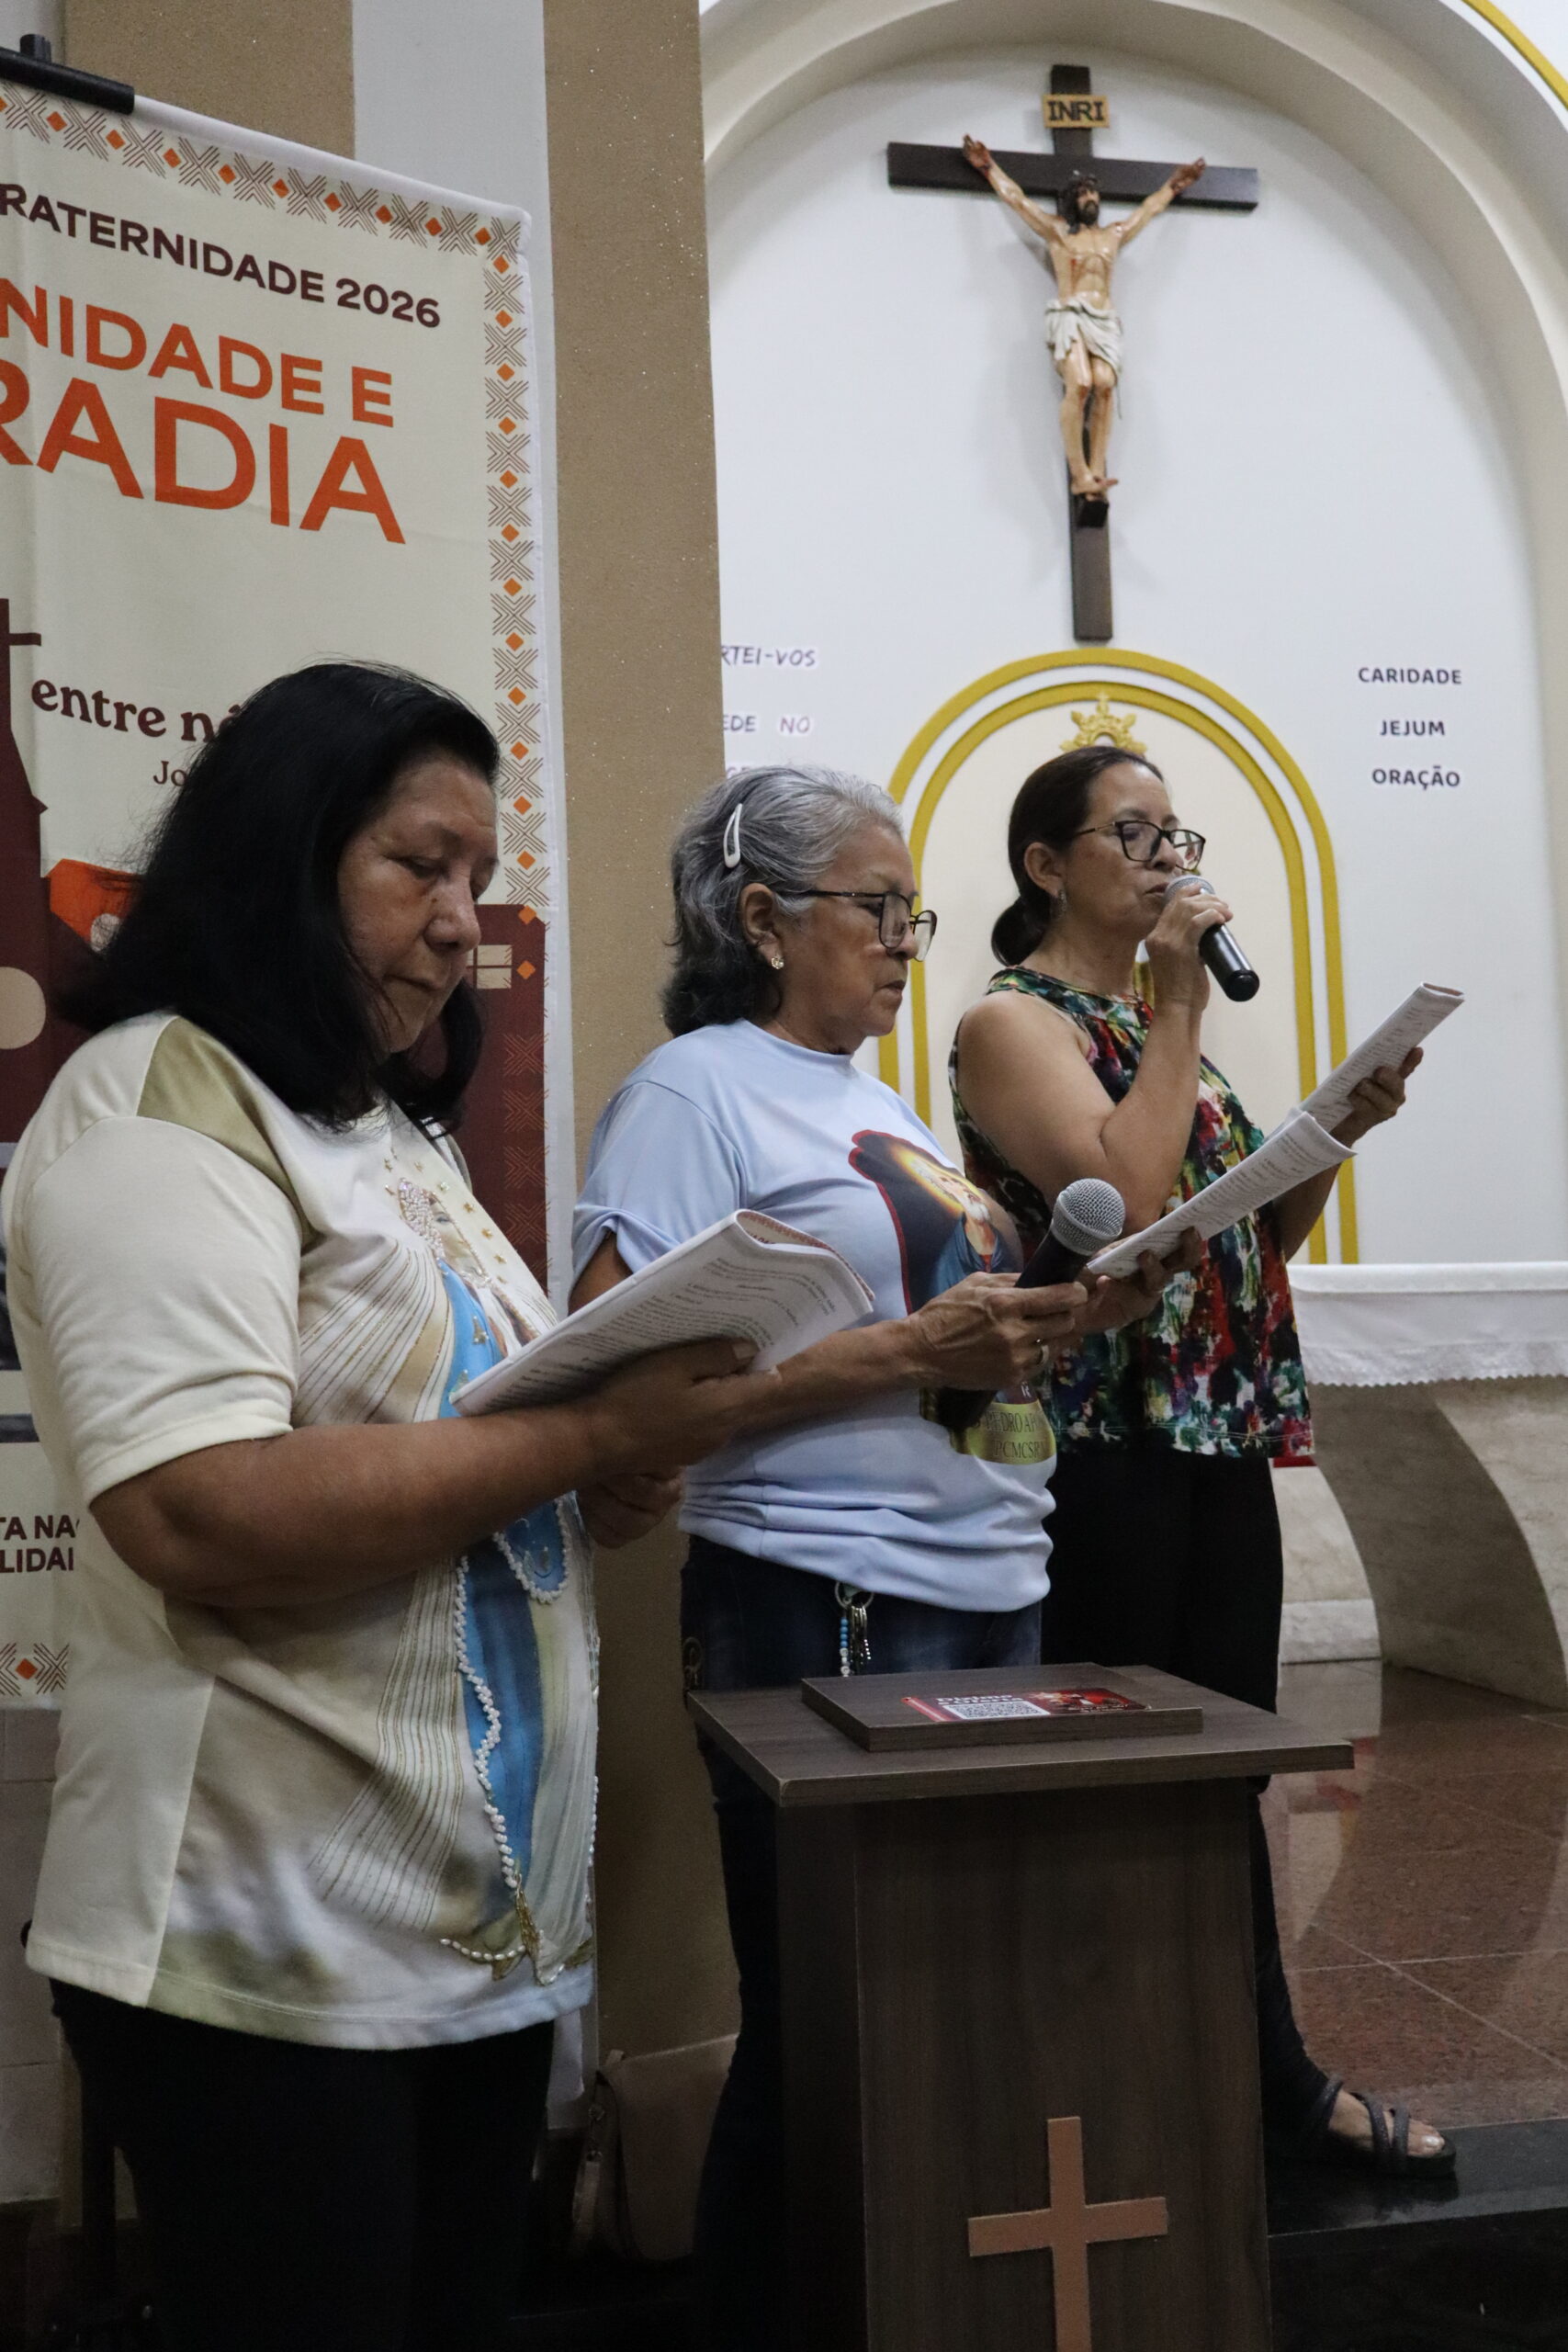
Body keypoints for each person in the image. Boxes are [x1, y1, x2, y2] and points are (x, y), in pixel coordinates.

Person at [0, 662, 771, 2352]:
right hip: (265, 1948)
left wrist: (611, 1467)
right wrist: (588, 1438)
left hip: (460, 1938)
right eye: (418, 866)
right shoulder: (158, 1100)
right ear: (284, 857)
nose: (456, 924)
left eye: (477, 878)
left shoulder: (390, 1135)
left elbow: (468, 1448)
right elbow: (197, 1509)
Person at [570, 763, 1190, 2348]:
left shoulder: (879, 1103)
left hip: (988, 1586)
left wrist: (1059, 1317)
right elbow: (627, 1403)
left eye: (914, 910)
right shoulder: (696, 1092)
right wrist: (913, 1348)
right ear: (764, 919)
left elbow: (938, 1360)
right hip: (826, 1592)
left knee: (944, 2026)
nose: (911, 940)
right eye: (880, 908)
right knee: (832, 2033)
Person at [950, 741, 1454, 2177]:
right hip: (1100, 1442)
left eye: (1179, 833)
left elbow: (1243, 1240)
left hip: (1213, 1427)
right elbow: (1125, 1205)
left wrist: (1331, 1136)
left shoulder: (1157, 1024)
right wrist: (1177, 1002)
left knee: (1227, 1763)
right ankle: (1111, 2090)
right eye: (1135, 833)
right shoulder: (1013, 1022)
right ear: (1047, 865)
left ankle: (1253, 2072)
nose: (1171, 858)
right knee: (1118, 1767)